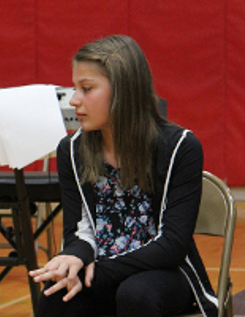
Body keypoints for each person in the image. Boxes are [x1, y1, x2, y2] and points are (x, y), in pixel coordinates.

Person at [29, 35, 218, 316]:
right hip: (100, 270)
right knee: (54, 297)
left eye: (87, 88)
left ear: (122, 91)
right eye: (74, 88)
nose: (74, 100)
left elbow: (173, 246)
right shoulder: (71, 150)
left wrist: (96, 271)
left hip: (166, 272)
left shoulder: (180, 146)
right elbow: (78, 232)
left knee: (135, 294)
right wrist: (72, 257)